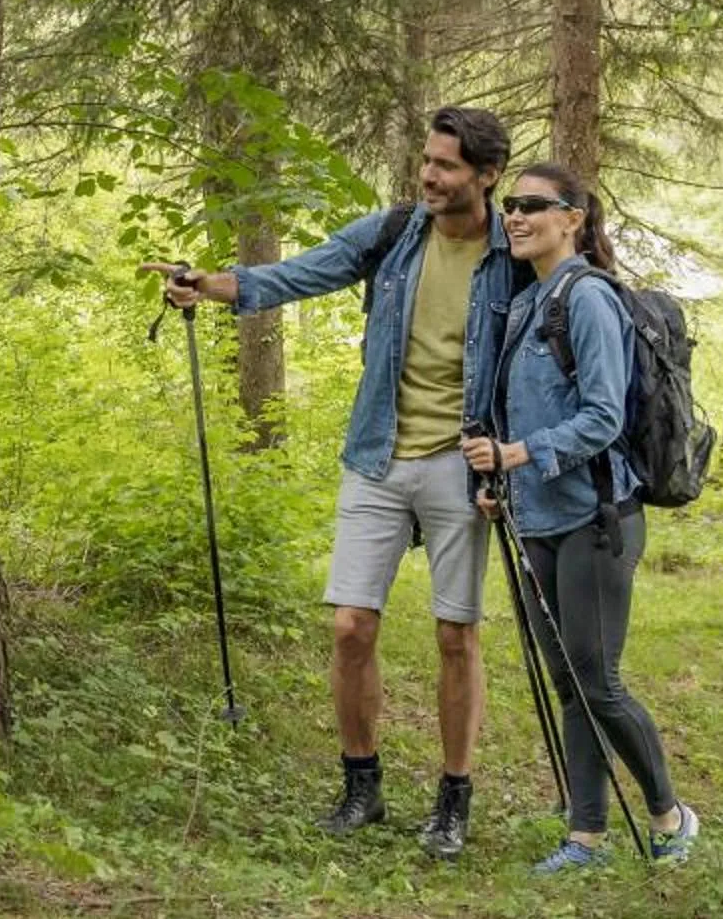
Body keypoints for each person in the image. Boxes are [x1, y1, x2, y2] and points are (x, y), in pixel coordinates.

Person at [146, 106, 522, 860]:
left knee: (456, 635)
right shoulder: (394, 234)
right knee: (351, 628)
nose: (428, 175)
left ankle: (453, 798)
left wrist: (525, 454)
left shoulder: (515, 254)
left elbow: (571, 318)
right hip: (378, 454)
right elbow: (298, 273)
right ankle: (362, 785)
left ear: (485, 176)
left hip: (463, 459)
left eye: (446, 166)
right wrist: (206, 284)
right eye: (426, 159)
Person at [461, 162, 698, 872]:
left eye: (534, 205)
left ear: (574, 218)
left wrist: (519, 453)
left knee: (598, 679)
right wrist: (498, 478)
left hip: (598, 517)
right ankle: (585, 837)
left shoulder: (587, 298)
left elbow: (602, 416)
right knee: (570, 680)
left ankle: (669, 814)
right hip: (538, 519)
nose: (516, 215)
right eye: (510, 205)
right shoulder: (529, 303)